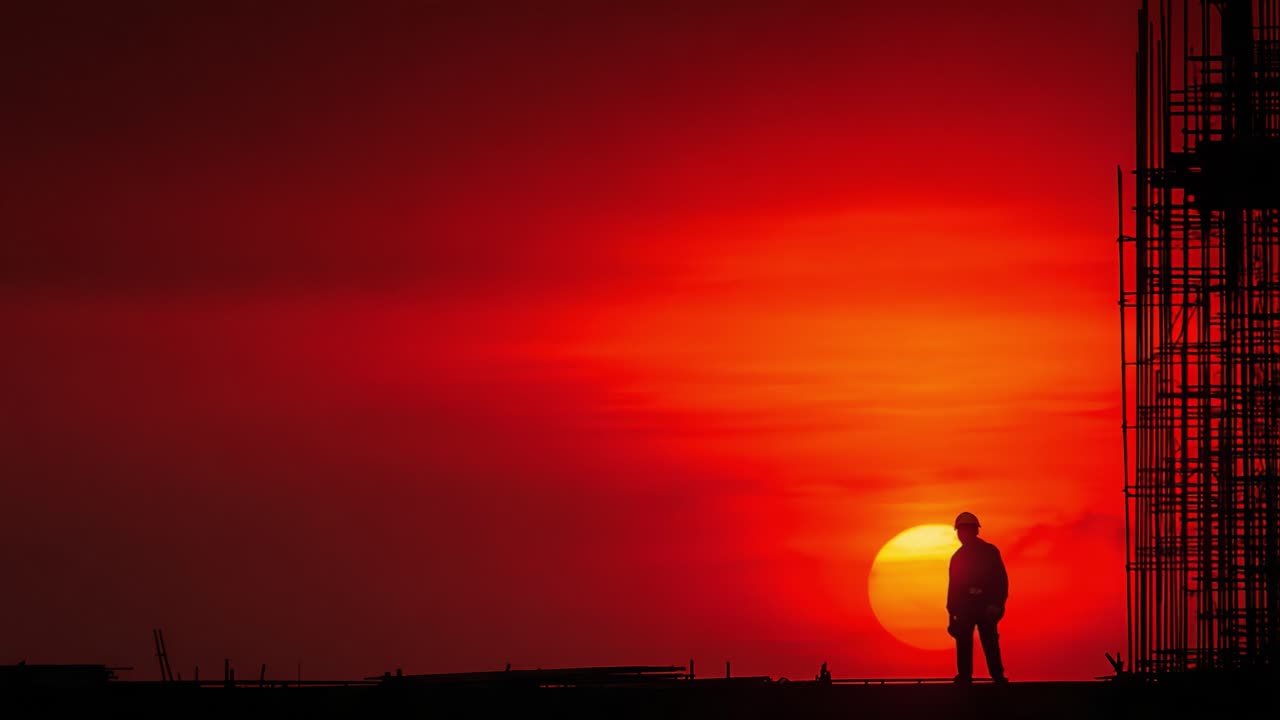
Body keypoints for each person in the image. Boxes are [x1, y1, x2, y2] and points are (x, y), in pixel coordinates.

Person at [946, 511, 1008, 684]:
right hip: (966, 607)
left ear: (975, 531)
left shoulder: (990, 552)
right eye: (961, 530)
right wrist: (952, 614)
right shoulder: (958, 558)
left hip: (986, 605)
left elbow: (1000, 580)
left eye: (966, 529)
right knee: (964, 640)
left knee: (989, 640)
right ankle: (965, 676)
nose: (962, 534)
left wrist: (996, 604)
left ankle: (997, 675)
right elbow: (954, 587)